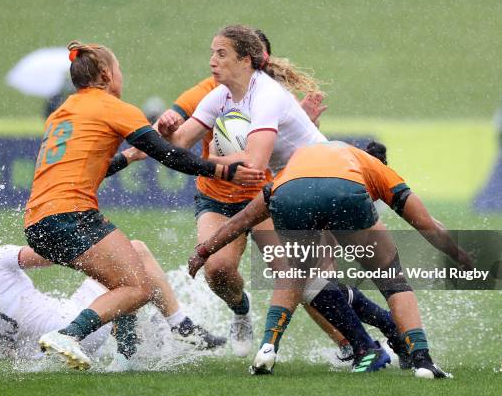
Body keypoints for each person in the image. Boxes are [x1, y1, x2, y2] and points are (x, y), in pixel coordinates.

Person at [23, 40, 264, 370]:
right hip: (71, 214)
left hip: (38, 221)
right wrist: (222, 170)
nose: (121, 76)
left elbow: (95, 168)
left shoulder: (62, 113)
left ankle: (126, 355)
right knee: (135, 286)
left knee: (129, 266)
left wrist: (128, 156)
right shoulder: (112, 106)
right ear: (107, 74)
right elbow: (169, 154)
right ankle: (69, 334)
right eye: (119, 69)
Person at [188, 140, 471, 379]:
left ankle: (267, 349)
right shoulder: (378, 172)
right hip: (343, 193)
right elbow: (427, 225)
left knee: (297, 274)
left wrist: (203, 251)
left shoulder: (302, 165)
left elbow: (241, 220)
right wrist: (458, 254)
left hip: (290, 194)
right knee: (392, 280)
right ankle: (422, 361)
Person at [157, 25, 328, 357]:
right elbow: (177, 142)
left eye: (221, 54)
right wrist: (166, 133)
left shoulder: (268, 94)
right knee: (217, 270)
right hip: (217, 198)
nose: (212, 61)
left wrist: (209, 160)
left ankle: (352, 344)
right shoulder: (213, 93)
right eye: (212, 53)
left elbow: (258, 160)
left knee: (298, 277)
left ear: (247, 60)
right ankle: (241, 312)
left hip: (264, 195)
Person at [0, 229, 226, 364]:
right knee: (132, 253)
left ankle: (136, 334)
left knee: (117, 276)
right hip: (76, 331)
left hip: (47, 354)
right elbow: (57, 253)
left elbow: (1, 350)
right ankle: (179, 327)